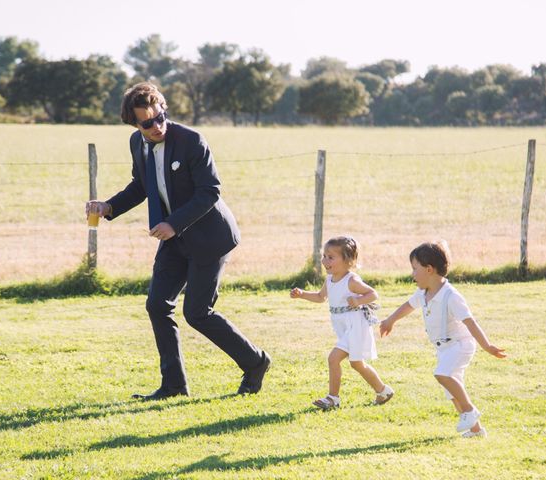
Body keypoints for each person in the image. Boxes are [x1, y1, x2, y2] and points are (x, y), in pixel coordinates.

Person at [86, 82, 270, 400]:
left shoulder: (191, 140)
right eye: (147, 123)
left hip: (209, 236)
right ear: (134, 124)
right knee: (157, 305)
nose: (157, 126)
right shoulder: (137, 143)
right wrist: (109, 206)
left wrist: (173, 223)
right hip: (174, 238)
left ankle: (255, 362)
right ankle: (173, 386)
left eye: (161, 117)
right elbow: (140, 185)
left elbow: (210, 191)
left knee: (197, 313)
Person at [379, 241, 506, 438]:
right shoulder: (423, 293)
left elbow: (470, 322)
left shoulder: (451, 296)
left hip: (460, 345)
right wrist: (390, 320)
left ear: (429, 269)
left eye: (414, 269)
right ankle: (476, 430)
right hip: (444, 349)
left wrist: (487, 346)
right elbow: (408, 306)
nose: (412, 274)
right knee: (453, 392)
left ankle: (470, 412)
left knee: (442, 374)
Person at [290, 235, 394, 410]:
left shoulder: (351, 280)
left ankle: (333, 398)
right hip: (345, 327)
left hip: (355, 326)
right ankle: (383, 391)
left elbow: (372, 294)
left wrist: (358, 301)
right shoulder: (329, 280)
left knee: (333, 359)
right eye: (324, 256)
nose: (325, 260)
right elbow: (320, 297)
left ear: (348, 260)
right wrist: (302, 294)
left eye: (331, 257)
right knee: (357, 364)